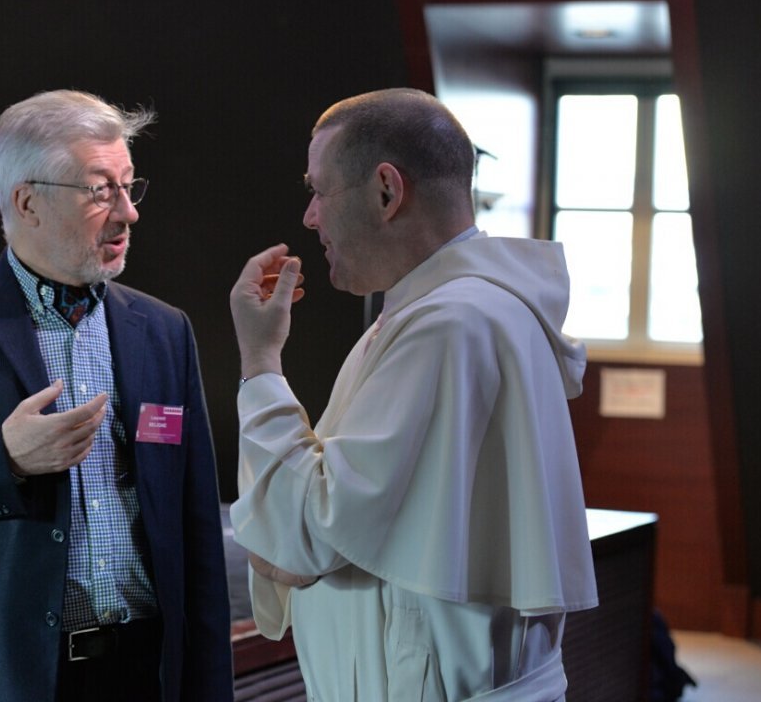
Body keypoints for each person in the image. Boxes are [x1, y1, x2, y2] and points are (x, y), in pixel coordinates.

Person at [0, 89, 234, 702]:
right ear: (27, 202)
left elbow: (196, 530)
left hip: (145, 671)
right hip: (7, 672)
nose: (128, 213)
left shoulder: (163, 330)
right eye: (101, 190)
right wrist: (3, 458)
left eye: (131, 188)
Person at [228, 88, 598, 701]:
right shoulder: (463, 310)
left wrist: (261, 361)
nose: (310, 217)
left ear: (386, 191)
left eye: (319, 190)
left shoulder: (447, 325)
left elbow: (310, 533)